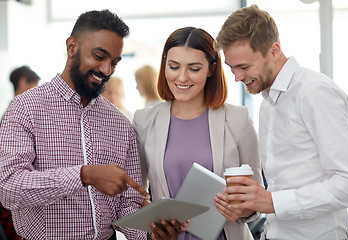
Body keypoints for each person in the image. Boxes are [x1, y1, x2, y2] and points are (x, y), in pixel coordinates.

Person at [0, 9, 176, 240]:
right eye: (99, 56)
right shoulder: (25, 108)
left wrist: (150, 235)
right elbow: (10, 188)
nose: (107, 70)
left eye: (114, 62)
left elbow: (128, 204)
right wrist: (84, 175)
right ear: (71, 46)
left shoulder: (121, 123)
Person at [215, 4, 348, 240]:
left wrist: (272, 201)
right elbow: (285, 184)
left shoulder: (314, 92)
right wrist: (250, 205)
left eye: (244, 67)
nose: (237, 77)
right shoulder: (267, 103)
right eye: (231, 68)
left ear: (274, 51)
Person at [132, 27, 263, 240]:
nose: (182, 77)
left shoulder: (238, 120)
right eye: (174, 67)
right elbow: (136, 194)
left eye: (194, 69)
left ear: (211, 69)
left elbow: (255, 195)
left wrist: (241, 209)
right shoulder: (144, 120)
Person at [0, 65, 40, 240]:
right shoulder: (16, 115)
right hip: (13, 195)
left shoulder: (9, 112)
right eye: (35, 86)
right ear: (23, 82)